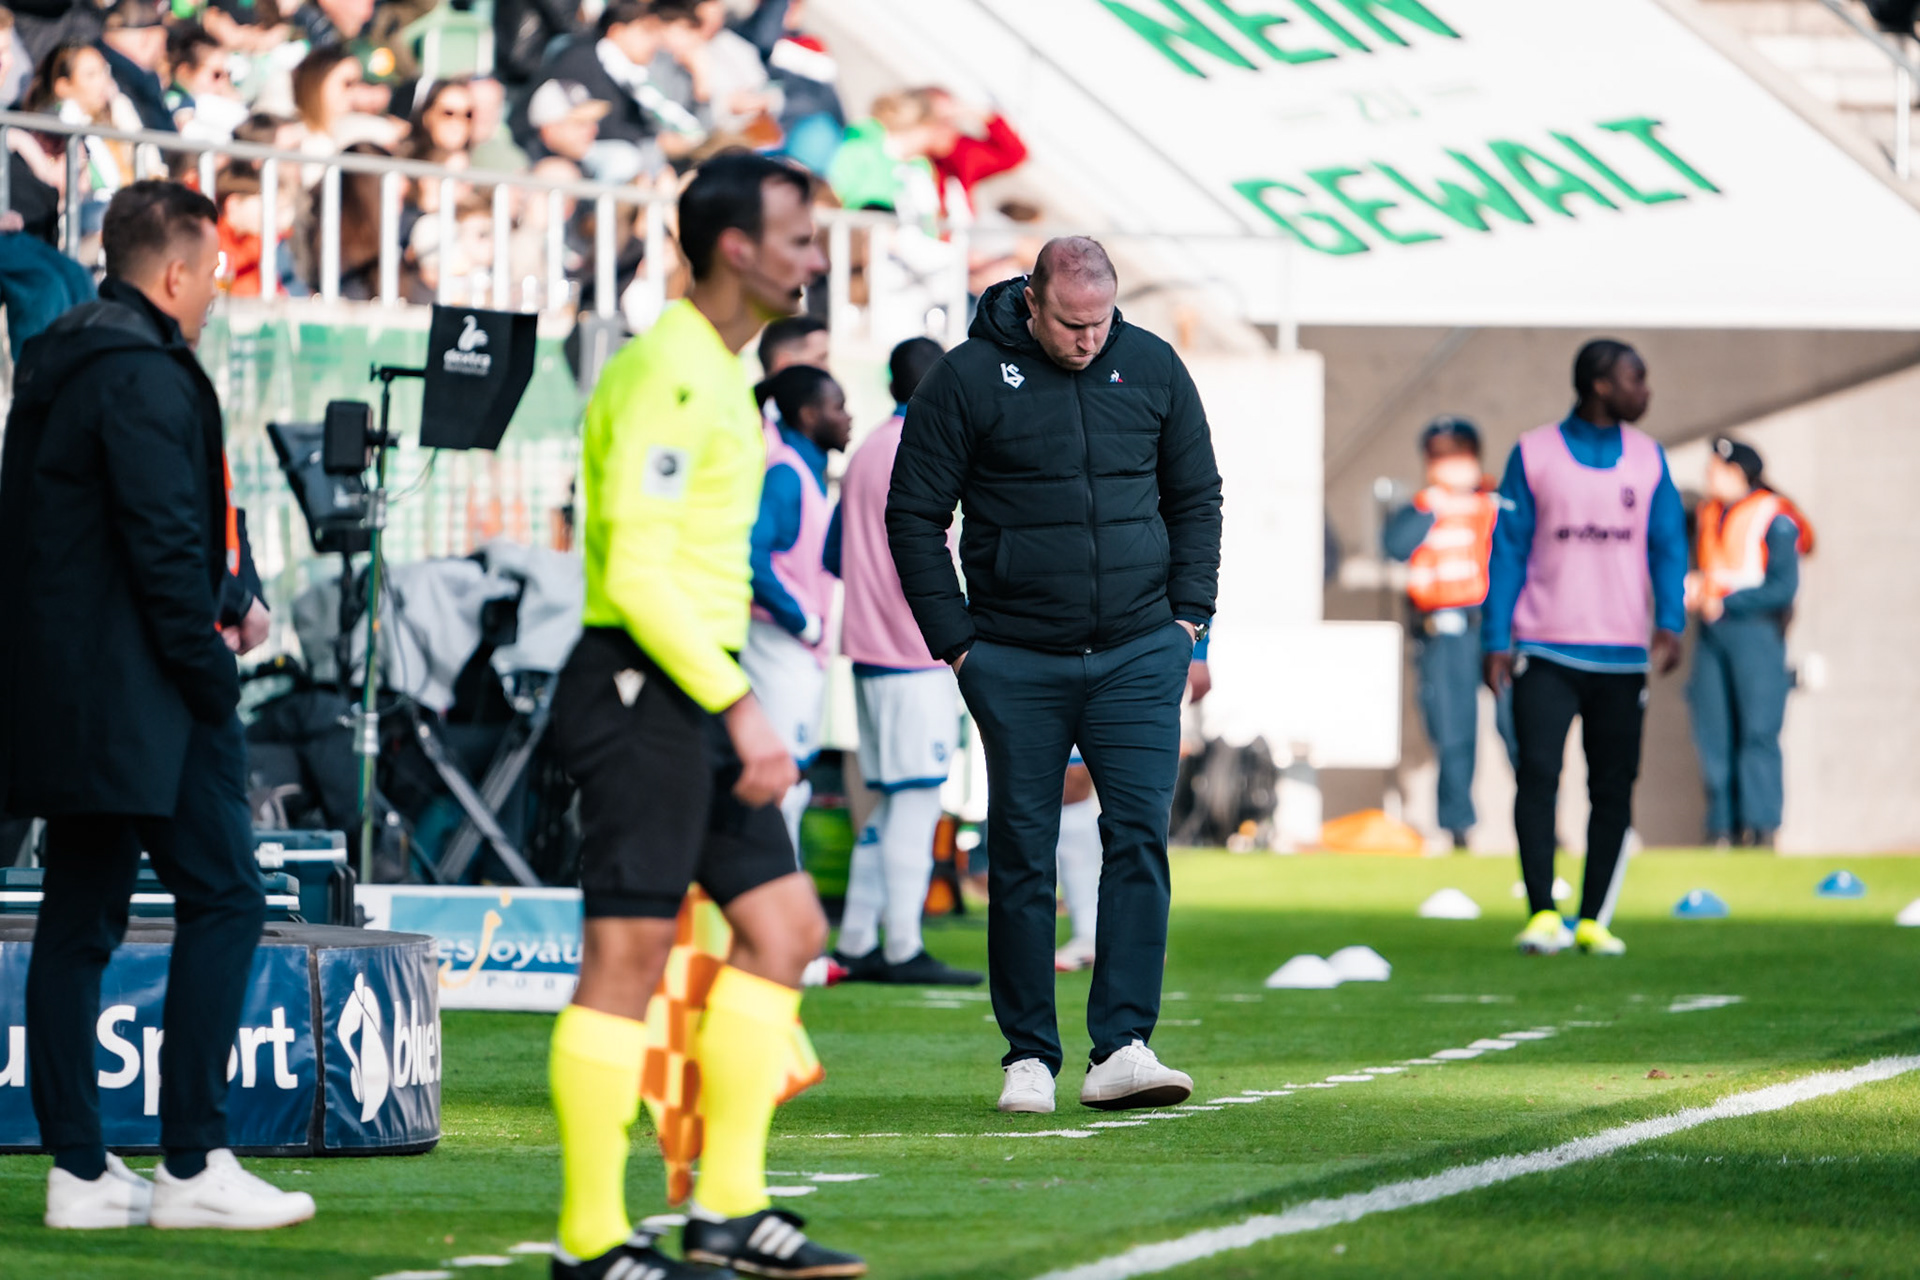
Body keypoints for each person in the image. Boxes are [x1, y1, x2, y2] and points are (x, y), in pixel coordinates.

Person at [545, 152, 861, 1280]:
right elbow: (634, 570)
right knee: (624, 960)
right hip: (642, 687)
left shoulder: (719, 369)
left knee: (786, 932)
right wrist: (741, 710)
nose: (815, 258)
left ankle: (727, 1209)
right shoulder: (670, 370)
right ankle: (590, 1241)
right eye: (798, 238)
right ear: (738, 248)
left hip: (694, 686)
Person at [0, 180, 310, 1232]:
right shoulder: (143, 372)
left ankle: (82, 1171)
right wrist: (210, 669)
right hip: (148, 694)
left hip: (73, 691)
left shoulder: (56, 358)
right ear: (174, 272)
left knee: (80, 919)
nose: (221, 292)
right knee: (226, 896)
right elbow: (164, 543)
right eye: (217, 271)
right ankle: (192, 1159)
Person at [888, 237, 1222, 1115]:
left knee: (1139, 841)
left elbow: (1197, 496)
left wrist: (1190, 621)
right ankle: (1029, 1056)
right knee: (1023, 853)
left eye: (1101, 322)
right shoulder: (963, 378)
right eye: (1071, 324)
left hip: (1141, 651)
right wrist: (957, 644)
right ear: (1031, 302)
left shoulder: (1151, 364)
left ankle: (1123, 1047)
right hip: (1014, 658)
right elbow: (915, 515)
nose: (1087, 340)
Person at [1483, 339, 1687, 958]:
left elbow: (1669, 544)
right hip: (1544, 649)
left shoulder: (1650, 459)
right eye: (1636, 379)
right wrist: (1496, 638)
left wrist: (1670, 621)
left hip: (1623, 656)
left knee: (1613, 787)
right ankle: (1543, 913)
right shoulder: (1535, 452)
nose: (1646, 391)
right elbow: (1509, 546)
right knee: (1539, 777)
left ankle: (1594, 918)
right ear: (1601, 384)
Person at [824, 336, 981, 987]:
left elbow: (835, 553)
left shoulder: (867, 452)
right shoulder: (918, 450)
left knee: (893, 803)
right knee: (915, 801)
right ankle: (901, 946)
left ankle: (860, 939)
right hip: (914, 651)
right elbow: (931, 553)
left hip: (868, 650)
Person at [1382, 417, 1518, 850]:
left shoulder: (1499, 501)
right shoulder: (1420, 507)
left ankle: (1541, 820)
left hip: (1498, 627)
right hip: (1446, 632)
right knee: (1453, 732)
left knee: (1519, 725)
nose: (1450, 466)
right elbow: (1396, 545)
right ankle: (1458, 829)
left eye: (1458, 456)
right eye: (1440, 457)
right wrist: (1438, 505)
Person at [741, 363, 851, 855]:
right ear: (809, 415)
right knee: (782, 778)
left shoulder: (803, 471)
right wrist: (802, 621)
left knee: (791, 777)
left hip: (796, 649)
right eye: (836, 407)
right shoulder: (786, 473)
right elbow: (752, 554)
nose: (847, 418)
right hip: (780, 644)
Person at [1686, 436, 1813, 850]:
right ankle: (1721, 827)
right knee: (1713, 729)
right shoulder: (1708, 513)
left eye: (1715, 470)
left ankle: (1761, 829)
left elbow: (1783, 586)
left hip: (1754, 632)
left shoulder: (1774, 517)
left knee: (1757, 731)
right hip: (1712, 632)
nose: (1708, 478)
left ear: (1737, 473)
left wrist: (1729, 601)